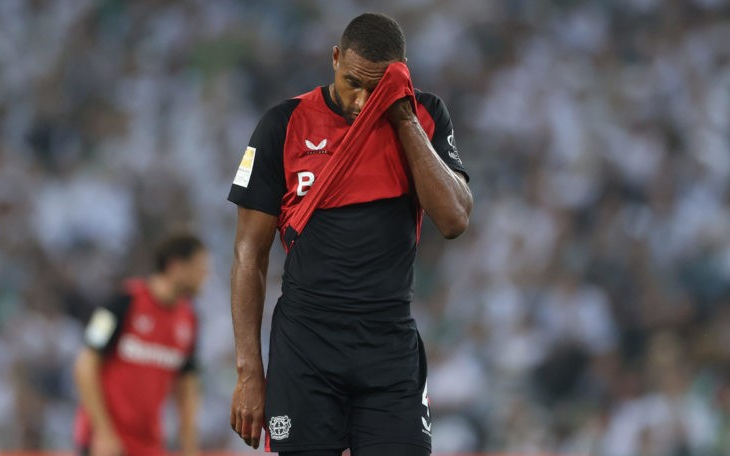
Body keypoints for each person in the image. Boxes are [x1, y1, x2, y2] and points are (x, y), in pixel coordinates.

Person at [227, 12, 472, 456]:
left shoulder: (426, 115)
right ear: (335, 58)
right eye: (351, 81)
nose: (361, 101)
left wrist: (402, 117)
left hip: (388, 345)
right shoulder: (282, 125)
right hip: (306, 346)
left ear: (400, 74)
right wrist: (249, 373)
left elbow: (455, 219)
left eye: (375, 87)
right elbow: (249, 255)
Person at [73, 231, 209, 456]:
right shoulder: (121, 302)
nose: (206, 275)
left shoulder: (190, 319)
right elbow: (85, 364)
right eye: (200, 267)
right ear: (176, 266)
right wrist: (103, 431)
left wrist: (190, 445)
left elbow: (187, 383)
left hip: (149, 445)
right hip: (106, 442)